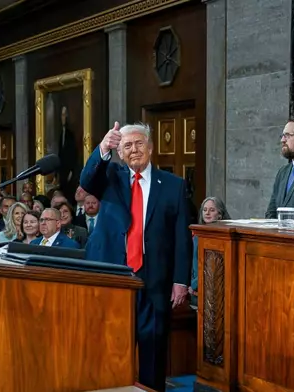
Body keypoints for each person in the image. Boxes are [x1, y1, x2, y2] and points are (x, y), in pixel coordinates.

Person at [80, 121, 192, 392]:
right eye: (127, 145)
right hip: (115, 278)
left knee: (153, 351)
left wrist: (180, 280)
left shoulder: (173, 186)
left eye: (139, 143)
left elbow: (181, 237)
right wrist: (103, 148)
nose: (134, 150)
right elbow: (86, 180)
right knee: (112, 348)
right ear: (120, 153)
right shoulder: (110, 177)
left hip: (154, 280)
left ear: (151, 148)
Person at [190, 197, 230, 308]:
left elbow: (211, 267)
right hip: (194, 293)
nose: (207, 213)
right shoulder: (197, 235)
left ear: (220, 215)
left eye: (212, 210)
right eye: (205, 210)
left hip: (212, 291)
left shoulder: (221, 237)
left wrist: (194, 286)